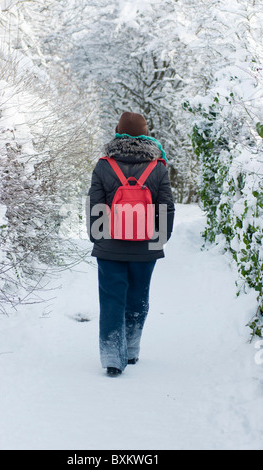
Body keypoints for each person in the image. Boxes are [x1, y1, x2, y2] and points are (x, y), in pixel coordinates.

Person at [87, 111, 175, 377]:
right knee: (138, 298)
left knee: (112, 300)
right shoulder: (157, 166)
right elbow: (166, 207)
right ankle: (132, 349)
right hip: (146, 246)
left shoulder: (104, 165)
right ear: (146, 134)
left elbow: (95, 204)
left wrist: (98, 238)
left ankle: (114, 358)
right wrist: (158, 241)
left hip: (110, 245)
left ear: (117, 132)